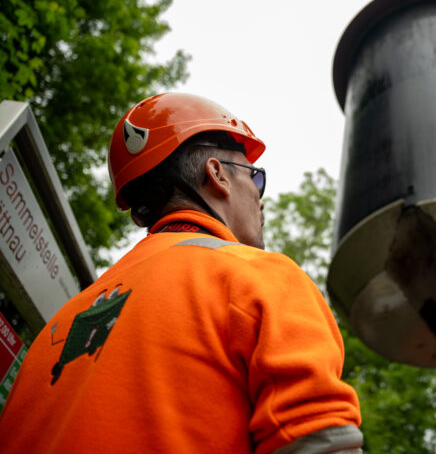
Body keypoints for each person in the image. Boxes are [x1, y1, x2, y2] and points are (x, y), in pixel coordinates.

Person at [0, 93, 363, 453]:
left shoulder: (52, 336)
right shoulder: (258, 278)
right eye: (255, 179)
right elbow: (320, 445)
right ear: (217, 174)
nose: (259, 198)